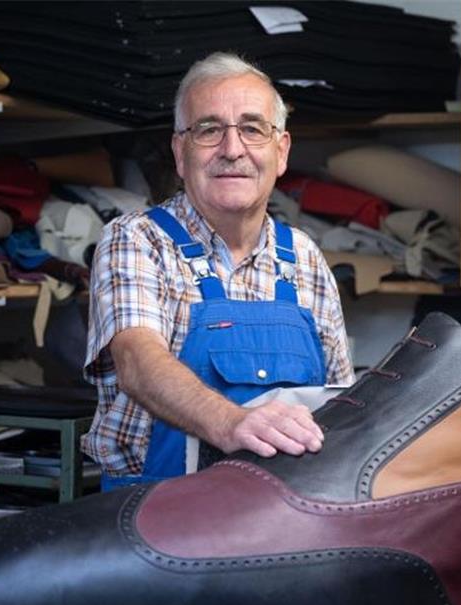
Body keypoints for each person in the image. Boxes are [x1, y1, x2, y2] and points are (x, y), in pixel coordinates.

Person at [83, 52, 354, 491]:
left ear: (281, 151)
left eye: (252, 128)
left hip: (279, 513)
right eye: (209, 130)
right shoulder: (136, 240)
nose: (232, 150)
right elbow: (137, 361)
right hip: (150, 516)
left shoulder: (303, 256)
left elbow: (340, 402)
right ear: (180, 152)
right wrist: (231, 425)